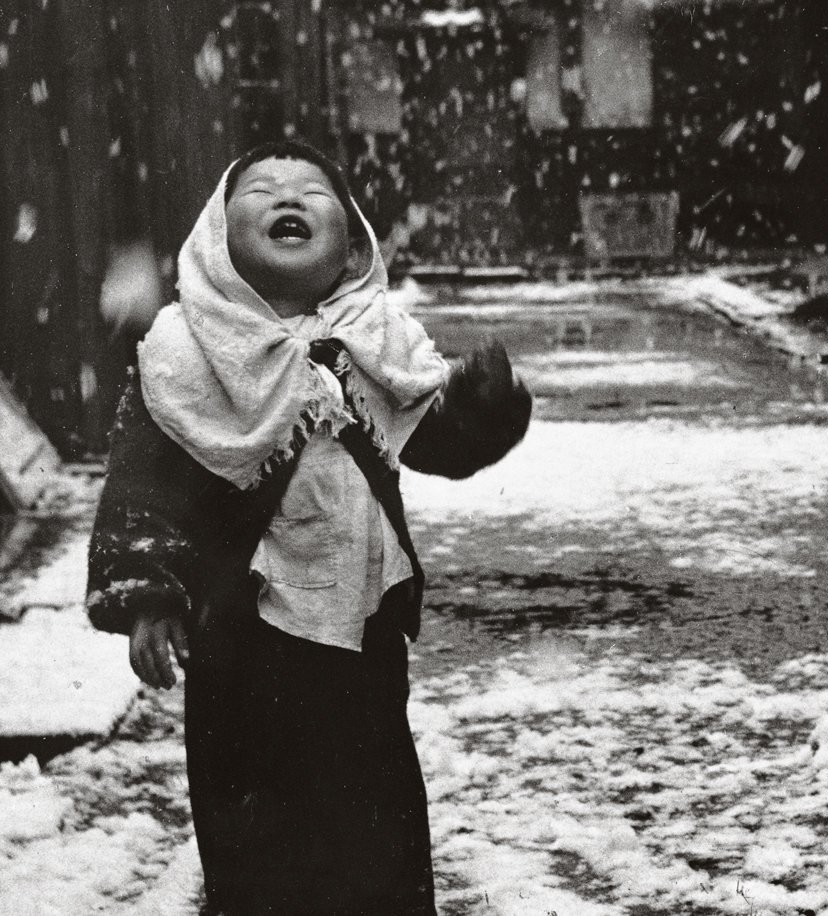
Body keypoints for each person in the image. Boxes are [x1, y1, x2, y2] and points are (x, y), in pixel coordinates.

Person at [86, 139, 532, 913]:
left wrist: (484, 405)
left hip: (361, 628)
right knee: (251, 821)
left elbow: (436, 439)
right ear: (218, 238)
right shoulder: (184, 353)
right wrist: (150, 595)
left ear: (351, 239)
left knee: (376, 806)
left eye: (311, 191)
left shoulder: (378, 340)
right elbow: (145, 485)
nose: (286, 197)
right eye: (259, 190)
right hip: (237, 632)